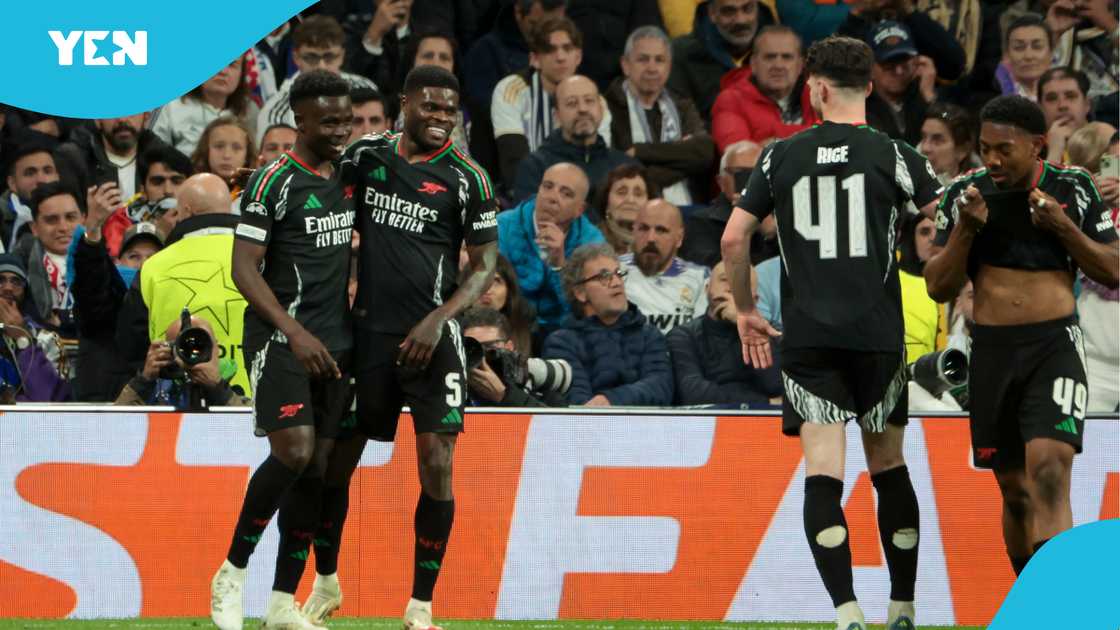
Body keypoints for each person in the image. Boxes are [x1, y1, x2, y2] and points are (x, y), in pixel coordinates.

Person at [722, 36, 944, 630]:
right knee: (889, 467)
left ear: (815, 88)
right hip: (878, 336)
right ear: (869, 87)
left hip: (810, 339)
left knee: (824, 473)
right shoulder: (895, 154)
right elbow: (945, 221)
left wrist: (746, 308)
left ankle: (847, 614)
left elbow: (732, 240)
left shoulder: (778, 156)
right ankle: (902, 607)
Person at [328, 65, 499, 630]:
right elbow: (324, 197)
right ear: (404, 104)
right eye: (430, 107)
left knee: (436, 462)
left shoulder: (469, 178)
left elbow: (485, 265)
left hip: (436, 338)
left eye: (450, 110)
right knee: (336, 463)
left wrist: (439, 320)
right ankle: (324, 583)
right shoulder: (366, 156)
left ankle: (421, 604)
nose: (440, 117)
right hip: (369, 335)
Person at [924, 96, 1118, 576]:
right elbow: (938, 286)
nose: (991, 160)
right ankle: (1031, 600)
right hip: (990, 352)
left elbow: (1112, 269)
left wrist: (1062, 226)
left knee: (1049, 470)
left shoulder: (1072, 188)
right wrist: (967, 231)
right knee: (1014, 490)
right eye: (985, 148)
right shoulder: (963, 195)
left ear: (1036, 147)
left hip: (1053, 346)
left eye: (1004, 150)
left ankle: (1060, 605)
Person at [209, 70, 355, 630]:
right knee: (293, 452)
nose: (341, 129)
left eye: (346, 118)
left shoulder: (349, 176)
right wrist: (293, 332)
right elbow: (243, 269)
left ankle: (280, 603)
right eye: (330, 120)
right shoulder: (273, 183)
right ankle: (231, 571)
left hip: (336, 344)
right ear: (300, 120)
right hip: (280, 337)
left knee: (316, 471)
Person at [115, 173, 250, 394]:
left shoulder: (153, 267)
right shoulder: (263, 259)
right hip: (256, 404)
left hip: (177, 405)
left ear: (186, 211)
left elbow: (131, 345)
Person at [542, 242, 674, 406]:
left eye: (618, 274)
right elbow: (579, 405)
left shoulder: (649, 335)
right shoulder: (561, 343)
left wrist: (611, 400)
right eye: (604, 277)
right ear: (580, 293)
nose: (616, 282)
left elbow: (661, 387)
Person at [492, 18, 613, 194]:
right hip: (529, 189)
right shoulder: (512, 90)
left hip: (582, 195)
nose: (560, 57)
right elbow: (514, 162)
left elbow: (600, 160)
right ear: (534, 59)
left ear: (578, 57)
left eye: (567, 48)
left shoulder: (596, 102)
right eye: (550, 50)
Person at [605, 26, 714, 206]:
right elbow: (619, 169)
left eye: (659, 60)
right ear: (625, 65)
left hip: (688, 208)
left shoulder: (682, 105)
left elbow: (704, 152)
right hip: (629, 208)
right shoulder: (609, 106)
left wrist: (640, 151)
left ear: (669, 66)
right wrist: (682, 157)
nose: (652, 68)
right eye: (643, 59)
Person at [499, 162, 604, 333]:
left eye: (566, 193)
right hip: (511, 329)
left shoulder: (592, 242)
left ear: (579, 209)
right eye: (548, 187)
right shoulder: (502, 227)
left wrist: (559, 266)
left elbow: (587, 311)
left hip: (567, 333)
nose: (552, 197)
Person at [71, 218, 163, 402]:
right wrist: (93, 234)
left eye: (153, 258)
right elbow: (92, 281)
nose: (143, 264)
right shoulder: (105, 296)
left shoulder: (173, 300)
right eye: (134, 256)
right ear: (119, 261)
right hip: (105, 408)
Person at [667, 260, 781, 406]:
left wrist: (748, 327)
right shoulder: (683, 336)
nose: (731, 288)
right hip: (706, 424)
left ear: (755, 299)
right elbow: (692, 394)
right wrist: (766, 402)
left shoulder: (774, 332)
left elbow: (777, 386)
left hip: (767, 425)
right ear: (707, 289)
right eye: (724, 280)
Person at [258, 16, 379, 144]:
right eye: (311, 58)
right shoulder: (276, 113)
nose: (321, 66)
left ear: (342, 55)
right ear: (296, 57)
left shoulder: (367, 89)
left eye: (329, 57)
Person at [513, 75, 635, 202]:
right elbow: (528, 218)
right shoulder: (536, 167)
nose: (583, 109)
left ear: (601, 109)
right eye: (572, 103)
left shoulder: (625, 166)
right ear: (557, 115)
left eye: (589, 101)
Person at [712, 25, 820, 152]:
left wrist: (771, 138)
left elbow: (842, 143)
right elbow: (738, 156)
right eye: (769, 57)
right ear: (753, 64)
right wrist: (815, 136)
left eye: (787, 57)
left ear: (800, 65)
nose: (778, 65)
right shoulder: (731, 100)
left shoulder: (821, 96)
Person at [668, 0, 777, 125]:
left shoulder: (783, 48)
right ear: (712, 13)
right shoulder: (682, 55)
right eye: (729, 11)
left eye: (747, 9)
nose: (740, 20)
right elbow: (683, 124)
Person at [115, 315, 250, 408]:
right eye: (183, 346)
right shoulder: (155, 392)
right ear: (169, 350)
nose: (193, 353)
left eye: (201, 345)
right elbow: (113, 427)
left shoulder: (234, 389)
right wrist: (143, 381)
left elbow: (256, 435)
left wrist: (219, 390)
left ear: (216, 348)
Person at [680, 140, 776, 267]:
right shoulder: (699, 222)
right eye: (741, 174)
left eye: (759, 174)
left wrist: (771, 234)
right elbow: (716, 268)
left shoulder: (783, 220)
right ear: (721, 182)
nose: (751, 182)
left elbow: (798, 268)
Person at [621, 198, 709, 334]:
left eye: (661, 230)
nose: (650, 238)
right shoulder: (613, 272)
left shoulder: (701, 278)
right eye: (643, 228)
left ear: (679, 238)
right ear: (633, 231)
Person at [150, 54, 259, 156]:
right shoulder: (171, 107)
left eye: (232, 65)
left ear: (242, 73)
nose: (223, 71)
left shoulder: (250, 111)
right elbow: (155, 157)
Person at [460, 306, 569, 406]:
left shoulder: (538, 390)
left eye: (489, 346)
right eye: (472, 347)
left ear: (509, 347)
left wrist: (504, 396)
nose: (482, 356)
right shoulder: (455, 393)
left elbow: (552, 425)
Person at [0, 253, 70, 402]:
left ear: (25, 291)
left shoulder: (47, 339)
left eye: (16, 282)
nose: (7, 288)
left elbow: (47, 399)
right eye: (0, 280)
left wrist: (22, 339)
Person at [56, 114, 168, 201]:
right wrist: (91, 221)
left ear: (146, 116)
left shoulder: (164, 158)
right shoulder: (72, 159)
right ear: (98, 119)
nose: (123, 119)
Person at [22, 181, 84, 337]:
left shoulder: (103, 264)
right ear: (34, 227)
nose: (63, 227)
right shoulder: (18, 269)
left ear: (84, 219)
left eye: (70, 217)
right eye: (51, 220)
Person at [864, 20, 935, 146]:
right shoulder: (861, 107)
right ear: (871, 69)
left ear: (916, 62)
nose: (899, 71)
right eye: (889, 64)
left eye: (904, 61)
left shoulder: (923, 97)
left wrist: (929, 97)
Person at [469, 254, 537, 354]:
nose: (487, 289)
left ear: (509, 290)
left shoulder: (526, 325)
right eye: (480, 280)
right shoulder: (449, 327)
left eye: (496, 281)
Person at [897, 212, 942, 363]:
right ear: (912, 240)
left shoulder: (964, 284)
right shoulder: (894, 281)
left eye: (940, 231)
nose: (933, 238)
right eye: (925, 232)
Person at [2, 140, 61, 251]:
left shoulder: (75, 210)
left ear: (57, 177)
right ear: (12, 183)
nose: (41, 180)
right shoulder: (2, 214)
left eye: (47, 171)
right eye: (30, 173)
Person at [591, 163, 657, 255]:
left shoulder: (660, 244)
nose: (630, 200)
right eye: (621, 192)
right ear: (606, 203)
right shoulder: (589, 241)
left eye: (638, 194)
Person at [1038, 67, 1093, 164]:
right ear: (1040, 108)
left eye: (1071, 96)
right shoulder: (1030, 150)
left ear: (1087, 104)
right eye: (1052, 99)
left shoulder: (1108, 142)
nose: (1062, 105)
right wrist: (1054, 154)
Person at [996, 15, 1055, 101]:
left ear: (1051, 53)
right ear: (1007, 55)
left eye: (1037, 46)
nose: (1028, 56)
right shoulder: (993, 96)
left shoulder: (1066, 93)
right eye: (1019, 47)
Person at [918, 102, 976, 185]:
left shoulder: (979, 194)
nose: (925, 148)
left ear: (962, 150)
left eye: (937, 141)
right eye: (923, 138)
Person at [190, 117, 255, 186]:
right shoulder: (191, 187)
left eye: (236, 148)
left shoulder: (257, 192)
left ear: (247, 155)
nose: (227, 155)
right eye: (219, 146)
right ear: (206, 150)